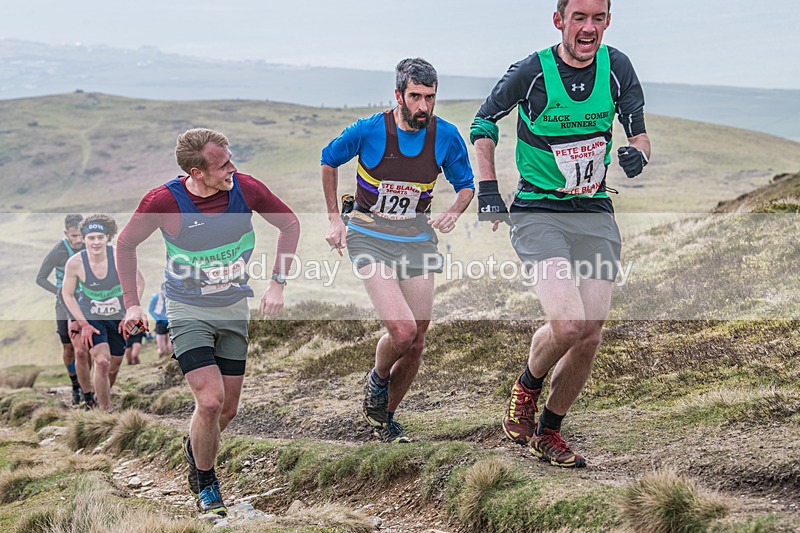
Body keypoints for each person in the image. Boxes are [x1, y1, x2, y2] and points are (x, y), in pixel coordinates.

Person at [471, 0, 651, 468]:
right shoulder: (531, 71)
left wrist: (638, 155)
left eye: (598, 18)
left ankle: (549, 431)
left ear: (607, 21)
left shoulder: (618, 68)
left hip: (594, 210)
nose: (588, 28)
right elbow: (483, 123)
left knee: (588, 334)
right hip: (539, 212)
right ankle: (527, 387)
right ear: (560, 21)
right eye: (579, 17)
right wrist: (488, 190)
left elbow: (639, 134)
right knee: (567, 323)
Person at [117, 128, 300, 517]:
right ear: (197, 172)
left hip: (234, 308)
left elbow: (290, 224)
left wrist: (277, 285)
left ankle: (193, 448)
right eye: (222, 165)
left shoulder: (245, 189)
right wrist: (132, 305)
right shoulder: (164, 201)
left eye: (231, 158)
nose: (232, 168)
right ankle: (206, 483)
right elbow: (126, 243)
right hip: (186, 309)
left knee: (227, 410)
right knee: (210, 400)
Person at [321, 58, 475, 444]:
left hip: (416, 239)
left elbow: (466, 184)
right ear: (399, 95)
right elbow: (329, 158)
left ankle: (384, 417)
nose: (423, 106)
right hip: (368, 235)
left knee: (418, 337)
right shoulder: (370, 130)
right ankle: (377, 378)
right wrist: (334, 220)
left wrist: (455, 211)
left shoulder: (446, 135)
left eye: (430, 97)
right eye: (416, 96)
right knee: (402, 330)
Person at [61, 215, 144, 411]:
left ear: (108, 237)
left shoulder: (119, 258)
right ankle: (104, 412)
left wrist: (130, 310)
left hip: (118, 317)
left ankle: (101, 397)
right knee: (102, 361)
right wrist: (84, 323)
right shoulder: (75, 263)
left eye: (100, 237)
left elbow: (139, 283)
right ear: (83, 238)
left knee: (114, 366)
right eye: (91, 238)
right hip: (92, 315)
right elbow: (68, 294)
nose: (96, 242)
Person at [35, 214, 89, 406]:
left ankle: (87, 387)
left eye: (80, 235)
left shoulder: (89, 244)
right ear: (66, 233)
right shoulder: (58, 251)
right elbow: (40, 278)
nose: (77, 240)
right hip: (63, 303)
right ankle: (75, 384)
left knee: (86, 346)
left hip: (88, 301)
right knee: (69, 347)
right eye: (73, 236)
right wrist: (60, 291)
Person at [149, 284, 172, 356]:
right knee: (163, 350)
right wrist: (158, 319)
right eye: (164, 290)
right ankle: (160, 356)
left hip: (169, 322)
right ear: (162, 290)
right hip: (160, 323)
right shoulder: (156, 297)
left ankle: (168, 361)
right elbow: (150, 310)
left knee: (170, 347)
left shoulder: (171, 298)